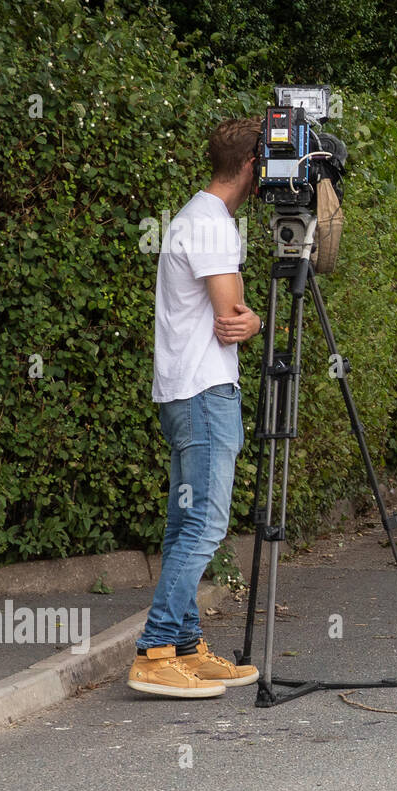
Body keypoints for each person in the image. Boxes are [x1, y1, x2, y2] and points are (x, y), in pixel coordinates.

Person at [128, 118, 264, 697]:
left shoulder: (195, 216)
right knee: (205, 524)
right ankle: (156, 651)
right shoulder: (211, 224)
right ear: (252, 166)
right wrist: (256, 320)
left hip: (183, 390)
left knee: (185, 522)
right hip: (206, 394)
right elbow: (232, 320)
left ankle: (184, 646)